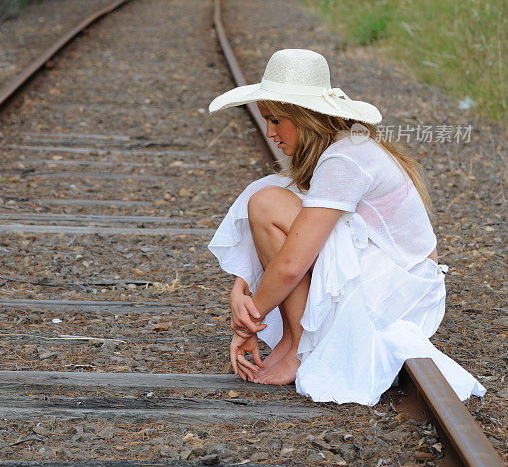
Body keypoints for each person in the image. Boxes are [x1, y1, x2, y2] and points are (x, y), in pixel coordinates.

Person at [208, 48, 485, 405]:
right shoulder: (342, 147)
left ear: (305, 117)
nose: (270, 131)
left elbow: (292, 264)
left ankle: (299, 347)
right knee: (270, 192)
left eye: (276, 120)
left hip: (394, 291)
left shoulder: (345, 159)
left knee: (267, 202)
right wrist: (242, 288)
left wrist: (246, 321)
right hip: (394, 276)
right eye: (267, 120)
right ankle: (295, 342)